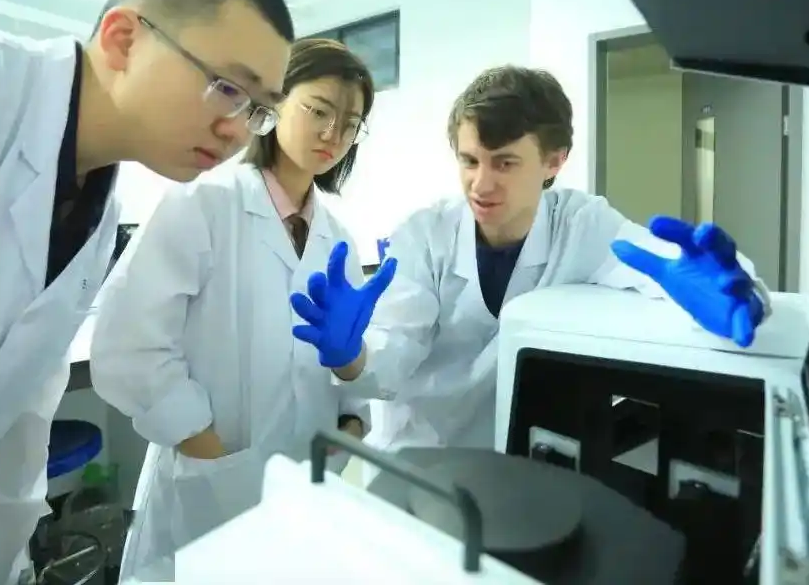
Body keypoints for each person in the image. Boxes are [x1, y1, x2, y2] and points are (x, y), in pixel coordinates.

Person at [0, 0, 294, 585]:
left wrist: (1, 566)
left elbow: (9, 424)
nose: (238, 130)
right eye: (226, 88)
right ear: (124, 40)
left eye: (259, 110)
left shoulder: (91, 209)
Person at [288, 65, 771, 463]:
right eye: (469, 161)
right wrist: (350, 355)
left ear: (554, 161)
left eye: (504, 163)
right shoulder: (425, 236)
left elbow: (661, 261)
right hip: (420, 457)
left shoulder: (580, 224)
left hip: (523, 462)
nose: (481, 184)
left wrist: (736, 291)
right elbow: (392, 356)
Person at [88, 38, 379, 580]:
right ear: (275, 103)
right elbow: (128, 346)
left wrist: (351, 424)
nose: (332, 134)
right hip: (212, 484)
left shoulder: (338, 237)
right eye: (319, 110)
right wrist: (209, 454)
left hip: (309, 488)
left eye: (350, 123)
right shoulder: (203, 204)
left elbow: (349, 373)